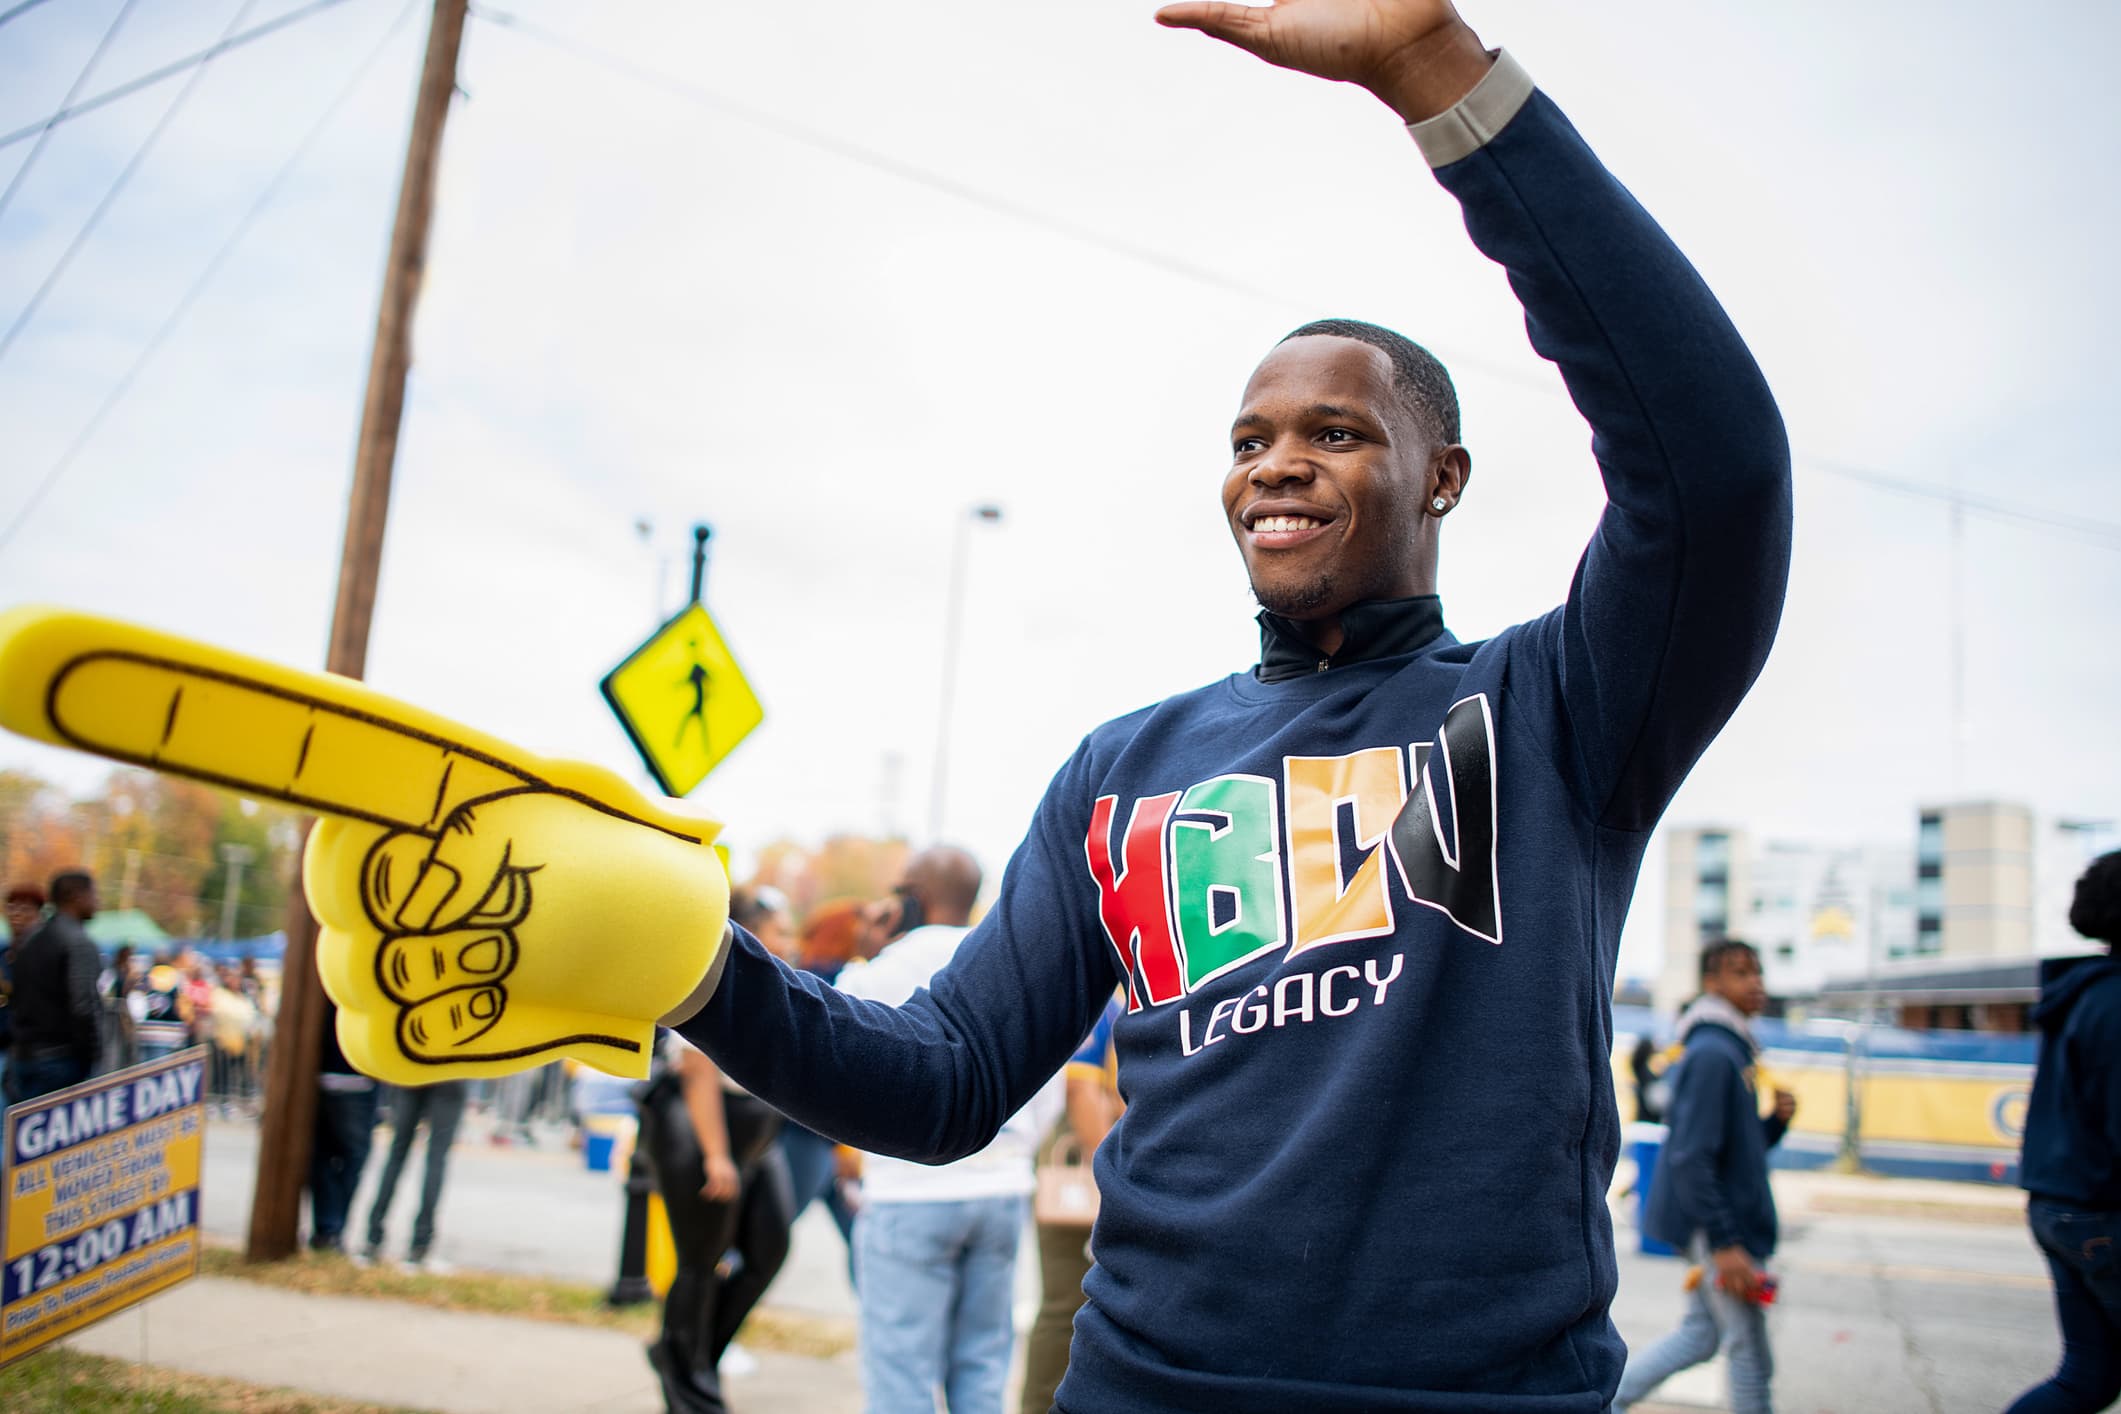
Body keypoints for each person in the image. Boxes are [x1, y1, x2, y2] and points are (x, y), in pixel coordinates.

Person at [678, 2, 1788, 1405]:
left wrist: (1433, 70)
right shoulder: (1124, 766)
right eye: (1249, 438)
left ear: (1441, 477)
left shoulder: (1554, 708)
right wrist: (691, 962)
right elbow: (946, 1075)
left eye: (1336, 431)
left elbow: (1714, 471)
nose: (1276, 464)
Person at [836, 847, 1060, 1414]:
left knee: (901, 1370)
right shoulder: (1007, 964)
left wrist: (865, 950)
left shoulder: (884, 969)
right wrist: (1015, 1147)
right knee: (983, 1365)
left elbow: (837, 1047)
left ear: (912, 897)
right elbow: (1049, 1081)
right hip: (1000, 1185)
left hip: (910, 1191)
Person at [1616, 940, 1795, 1414]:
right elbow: (1691, 1156)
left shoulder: (1733, 1048)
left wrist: (1775, 1124)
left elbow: (1735, 1152)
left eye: (1758, 972)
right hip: (1718, 1229)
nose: (1756, 983)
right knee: (1749, 1351)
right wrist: (1724, 1243)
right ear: (1711, 983)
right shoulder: (1714, 1053)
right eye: (1741, 973)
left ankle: (1607, 1403)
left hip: (1720, 1222)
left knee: (1701, 1335)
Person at [2006, 850, 2121, 1414]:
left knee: (2087, 1380)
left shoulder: (2082, 992)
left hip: (2059, 1205)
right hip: (2101, 1210)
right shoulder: (2114, 1001)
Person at [639, 1030, 794, 1414]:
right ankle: (691, 1394)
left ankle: (688, 1357)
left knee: (768, 1250)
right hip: (703, 1124)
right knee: (700, 1263)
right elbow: (696, 1065)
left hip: (757, 1129)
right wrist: (716, 1154)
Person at [1021, 993, 1124, 1414]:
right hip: (1081, 1158)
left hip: (1093, 1152)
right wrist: (1111, 1179)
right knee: (1066, 1303)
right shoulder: (1099, 1002)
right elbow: (1080, 1090)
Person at [7, 870, 104, 1102]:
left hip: (24, 1056)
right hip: (61, 1059)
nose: (97, 901)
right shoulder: (77, 942)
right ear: (76, 896)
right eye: (93, 894)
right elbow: (83, 1005)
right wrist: (92, 1052)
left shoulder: (30, 941)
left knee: (23, 1122)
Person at [359, 1077, 469, 1271]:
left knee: (397, 1154)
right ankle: (419, 1246)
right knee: (436, 1158)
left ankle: (373, 1239)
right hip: (451, 1076)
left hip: (414, 1073)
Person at [308, 998, 379, 1254]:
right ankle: (331, 1229)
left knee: (324, 1158)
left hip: (328, 1073)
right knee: (350, 1159)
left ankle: (327, 1228)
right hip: (355, 1076)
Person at [0, 884, 45, 1093]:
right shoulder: (3, 953)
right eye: (12, 907)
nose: (16, 914)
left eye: (25, 908)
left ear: (38, 914)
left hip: (31, 1051)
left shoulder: (44, 953)